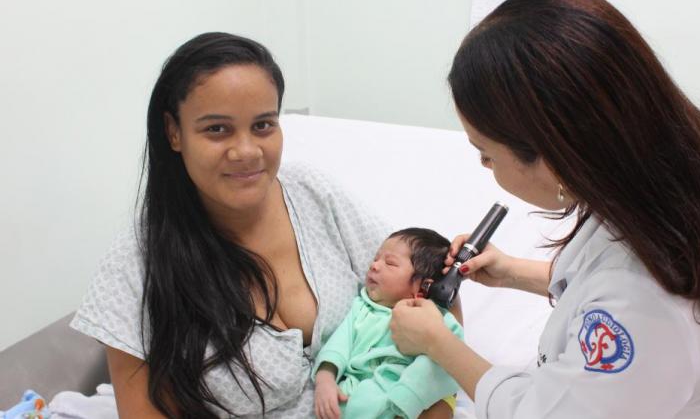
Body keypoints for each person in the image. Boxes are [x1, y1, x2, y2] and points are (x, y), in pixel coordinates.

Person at [389, 0, 700, 418]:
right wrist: (513, 272)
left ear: (555, 156)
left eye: (486, 154)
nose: (484, 166)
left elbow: (546, 410)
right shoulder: (688, 170)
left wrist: (439, 344)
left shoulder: (641, 306)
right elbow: (619, 277)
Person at [70, 33, 459, 418]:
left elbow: (436, 295)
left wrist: (430, 406)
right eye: (217, 129)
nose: (247, 152)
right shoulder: (139, 261)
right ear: (174, 132)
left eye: (263, 125)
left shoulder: (314, 194)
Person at [313, 228, 464, 419]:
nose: (374, 265)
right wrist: (325, 380)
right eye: (375, 259)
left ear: (423, 285)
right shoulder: (361, 308)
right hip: (351, 396)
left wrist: (407, 400)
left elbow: (446, 362)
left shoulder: (436, 320)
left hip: (403, 403)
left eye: (390, 263)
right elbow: (338, 345)